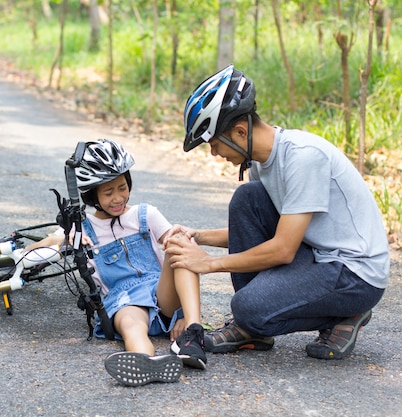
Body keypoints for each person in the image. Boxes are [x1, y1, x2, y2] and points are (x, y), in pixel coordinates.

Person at [163, 65, 389, 360]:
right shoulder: (261, 163)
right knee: (248, 198)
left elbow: (282, 249)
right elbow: (272, 232)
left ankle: (344, 314)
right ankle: (253, 327)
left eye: (215, 144)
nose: (214, 153)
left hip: (355, 274)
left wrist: (208, 264)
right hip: (317, 256)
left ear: (240, 131)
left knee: (248, 308)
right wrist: (199, 236)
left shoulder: (303, 157)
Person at [29, 138, 206, 386]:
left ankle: (194, 330)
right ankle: (146, 361)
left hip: (161, 293)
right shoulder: (83, 227)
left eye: (122, 187)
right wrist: (65, 238)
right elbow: (34, 250)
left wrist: (183, 317)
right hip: (124, 300)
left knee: (179, 244)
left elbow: (189, 257)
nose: (118, 198)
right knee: (132, 325)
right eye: (108, 192)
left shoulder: (146, 214)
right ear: (93, 196)